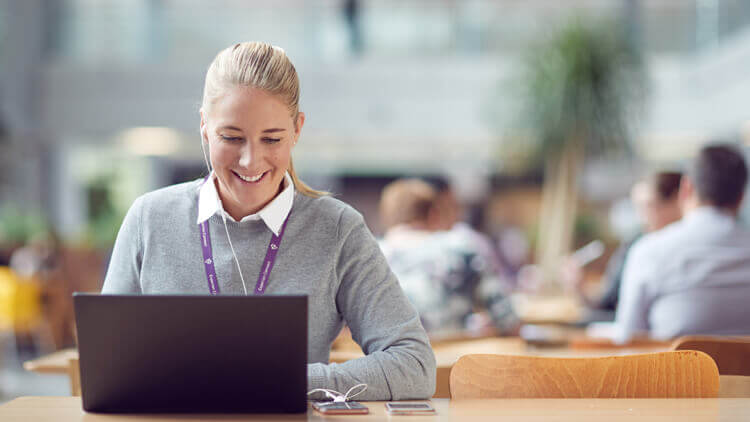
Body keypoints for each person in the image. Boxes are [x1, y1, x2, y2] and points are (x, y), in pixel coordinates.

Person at [102, 42, 436, 400]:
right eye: (231, 137)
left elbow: (414, 367)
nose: (250, 160)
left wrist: (281, 381)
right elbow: (105, 364)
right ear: (203, 126)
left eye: (272, 139)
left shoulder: (337, 229)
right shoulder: (149, 219)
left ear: (297, 129)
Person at [612, 144, 750, 342]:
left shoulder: (648, 251)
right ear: (741, 198)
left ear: (686, 189)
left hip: (675, 372)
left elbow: (627, 339)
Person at [378, 178, 519, 337]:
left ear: (386, 218)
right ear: (433, 215)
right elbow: (506, 319)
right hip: (450, 357)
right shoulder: (462, 247)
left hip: (385, 358)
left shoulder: (369, 256)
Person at [565, 172, 682, 319]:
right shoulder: (633, 246)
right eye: (638, 207)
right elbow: (606, 304)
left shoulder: (688, 247)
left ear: (678, 201)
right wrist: (579, 288)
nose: (643, 217)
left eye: (650, 206)